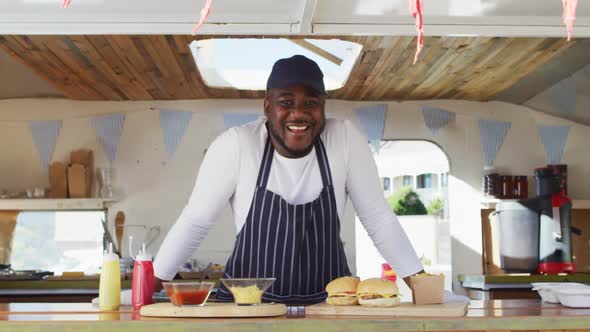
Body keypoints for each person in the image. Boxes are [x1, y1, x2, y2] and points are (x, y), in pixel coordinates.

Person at [153, 54, 424, 304]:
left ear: (323, 106)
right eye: (286, 102)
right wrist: (146, 291)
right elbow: (195, 222)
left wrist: (424, 288)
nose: (298, 113)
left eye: (311, 103)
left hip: (328, 307)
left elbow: (378, 218)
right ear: (267, 106)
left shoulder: (343, 139)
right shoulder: (237, 145)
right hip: (248, 309)